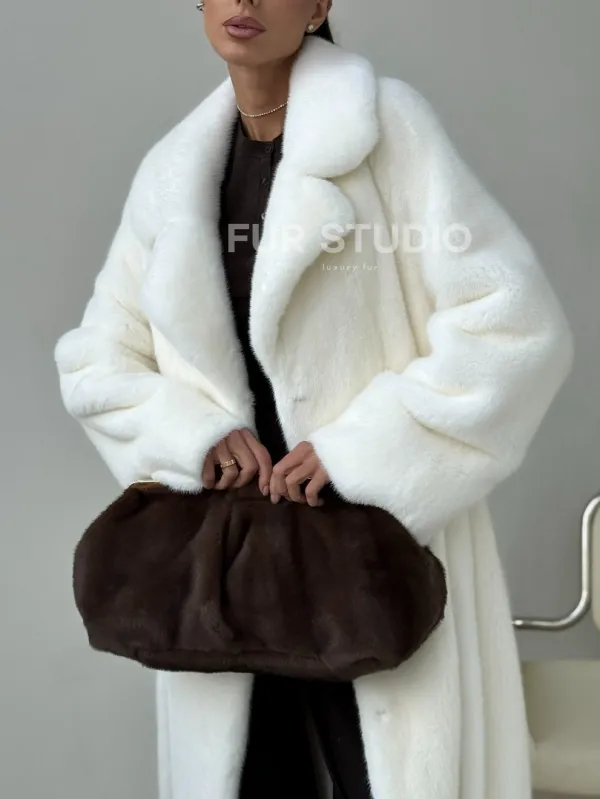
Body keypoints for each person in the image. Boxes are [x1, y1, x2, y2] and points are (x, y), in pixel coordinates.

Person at [53, 2, 574, 798]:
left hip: (365, 554)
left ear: (322, 3)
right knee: (250, 777)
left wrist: (364, 449)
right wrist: (192, 433)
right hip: (226, 571)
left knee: (385, 773)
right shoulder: (173, 173)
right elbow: (97, 358)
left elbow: (515, 324)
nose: (246, 1)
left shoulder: (384, 128)